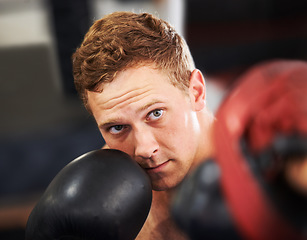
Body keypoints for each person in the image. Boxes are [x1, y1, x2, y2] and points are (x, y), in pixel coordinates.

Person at [72, 11, 215, 239]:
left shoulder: (262, 174)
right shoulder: (106, 191)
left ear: (196, 92)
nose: (144, 150)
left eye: (155, 113)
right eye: (118, 128)